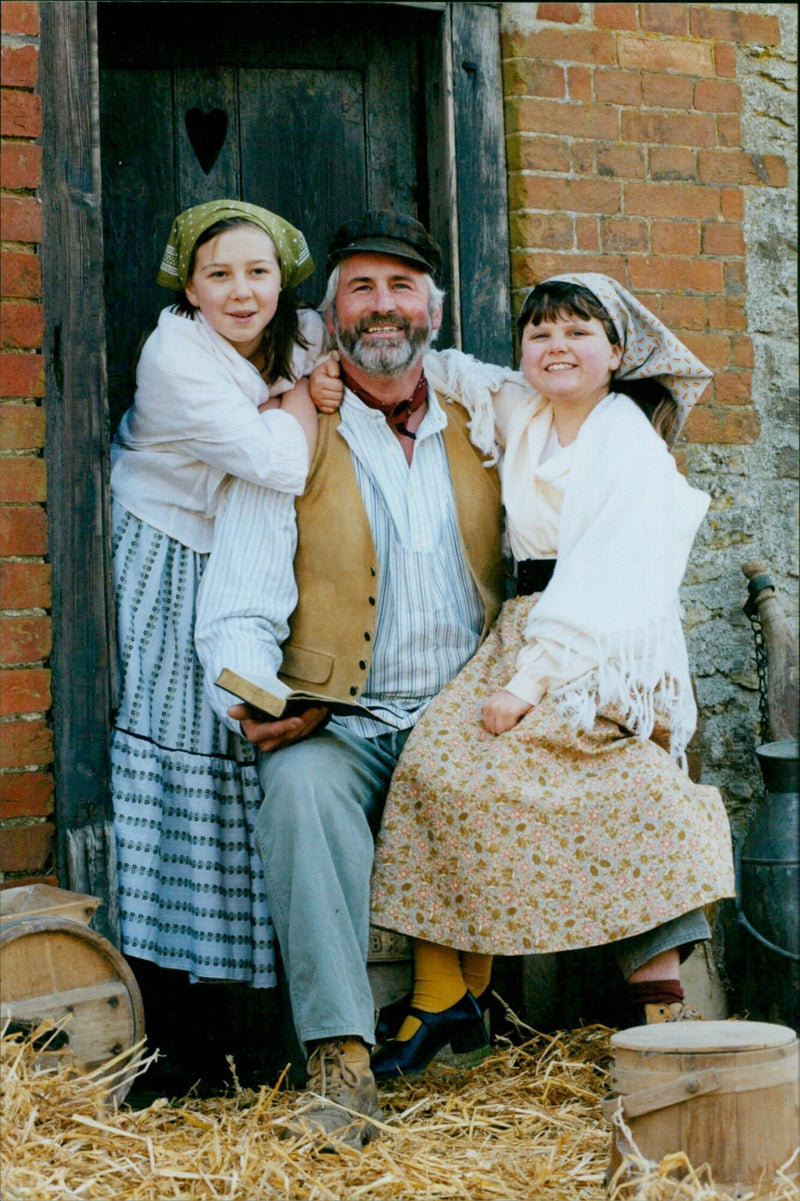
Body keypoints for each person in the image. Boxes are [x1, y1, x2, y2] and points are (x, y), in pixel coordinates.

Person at [194, 210, 517, 1147]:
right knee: (296, 790)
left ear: (434, 311)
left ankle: (658, 1021)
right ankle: (339, 1065)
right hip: (347, 722)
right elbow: (238, 609)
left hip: (468, 718)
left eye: (402, 287)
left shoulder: (489, 416)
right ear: (329, 317)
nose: (384, 306)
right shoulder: (287, 437)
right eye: (362, 289)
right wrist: (253, 696)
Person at [368, 273, 737, 1079]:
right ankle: (446, 993)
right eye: (540, 334)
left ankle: (666, 1017)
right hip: (521, 628)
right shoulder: (522, 411)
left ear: (616, 352)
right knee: (435, 766)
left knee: (623, 794)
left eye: (577, 333)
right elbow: (452, 366)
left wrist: (526, 686)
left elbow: (604, 582)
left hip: (595, 643)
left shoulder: (626, 441)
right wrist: (317, 346)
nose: (556, 347)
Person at [110, 199, 322, 1000]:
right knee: (178, 734)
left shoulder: (301, 336)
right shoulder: (175, 353)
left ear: (281, 278)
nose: (241, 291)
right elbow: (279, 462)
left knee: (243, 732)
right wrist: (299, 403)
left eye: (258, 272)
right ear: (189, 289)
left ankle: (239, 984)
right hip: (164, 545)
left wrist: (305, 384)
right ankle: (163, 977)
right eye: (219, 274)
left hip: (239, 550)